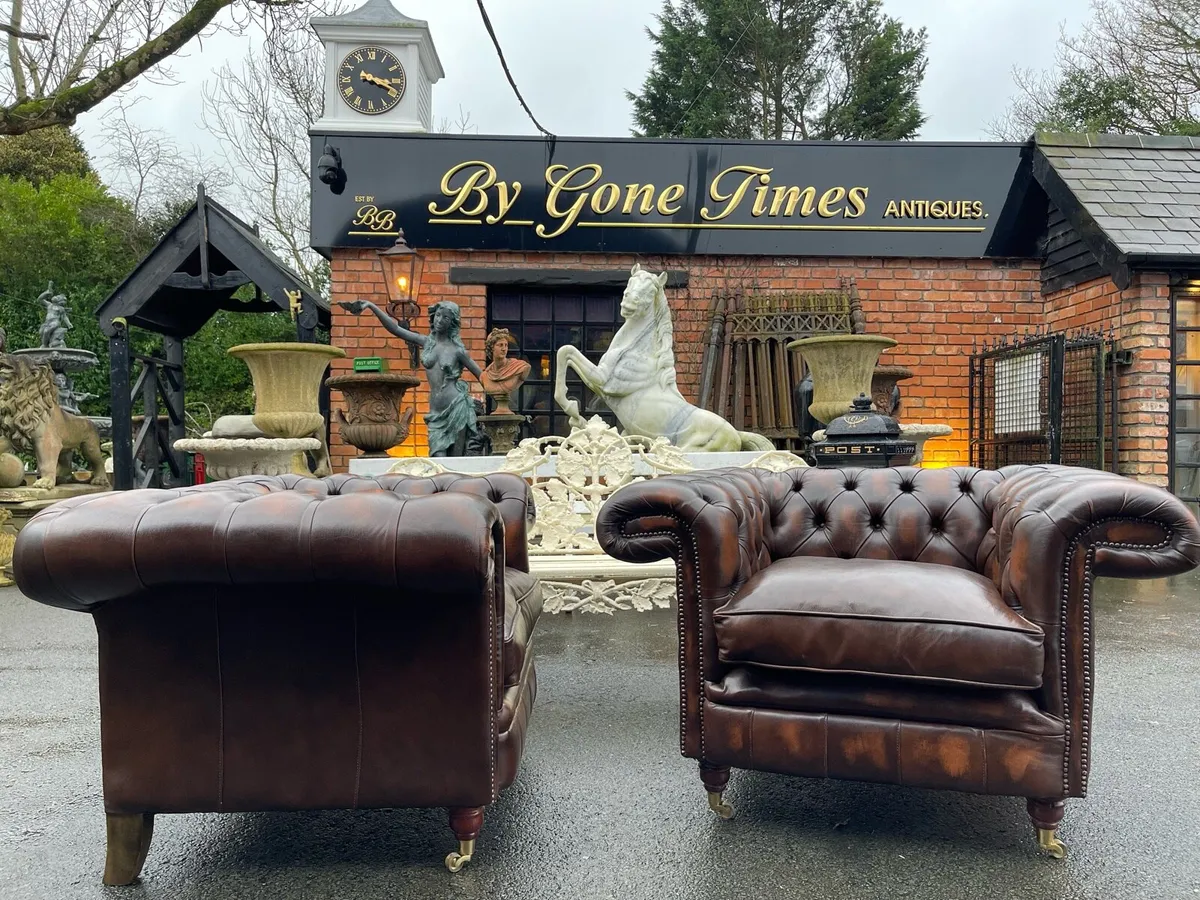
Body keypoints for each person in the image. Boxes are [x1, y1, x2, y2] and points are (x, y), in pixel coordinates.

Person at [340, 298, 483, 457]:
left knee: (456, 463)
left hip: (457, 408)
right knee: (438, 457)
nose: (439, 320)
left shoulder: (458, 351)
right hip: (436, 413)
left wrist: (502, 386)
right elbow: (395, 329)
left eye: (445, 318)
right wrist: (372, 306)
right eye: (438, 315)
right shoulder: (426, 342)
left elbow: (481, 376)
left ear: (452, 323)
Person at [480, 327, 531, 414]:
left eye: (506, 345)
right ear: (492, 348)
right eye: (500, 345)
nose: (504, 349)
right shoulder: (484, 376)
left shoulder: (520, 367)